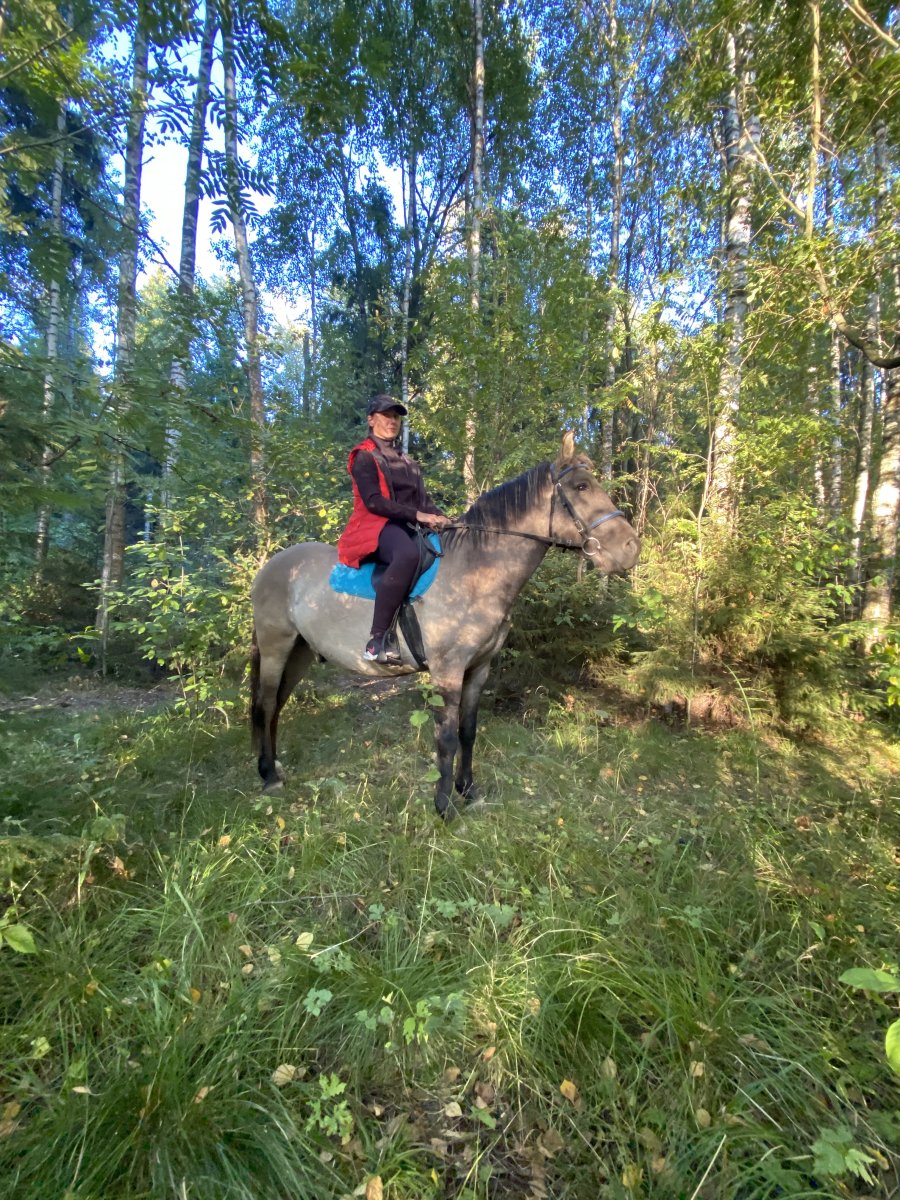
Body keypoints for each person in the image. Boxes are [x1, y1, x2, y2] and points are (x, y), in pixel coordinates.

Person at [337, 394, 451, 663]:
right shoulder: (364, 456)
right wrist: (419, 515)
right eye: (386, 415)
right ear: (371, 419)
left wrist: (443, 518)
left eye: (396, 417)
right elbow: (374, 502)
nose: (392, 421)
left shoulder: (407, 462)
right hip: (375, 525)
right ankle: (377, 639)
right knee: (407, 554)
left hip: (409, 526)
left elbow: (424, 502)